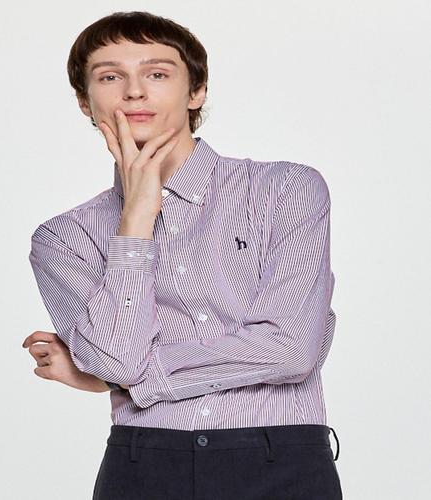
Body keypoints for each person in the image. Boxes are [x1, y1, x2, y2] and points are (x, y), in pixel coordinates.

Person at [22, 10, 343, 500]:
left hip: (280, 457)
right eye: (110, 77)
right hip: (143, 462)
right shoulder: (64, 239)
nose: (134, 91)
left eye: (157, 74)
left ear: (196, 91)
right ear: (86, 101)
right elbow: (116, 360)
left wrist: (127, 382)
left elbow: (290, 350)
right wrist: (136, 220)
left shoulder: (284, 191)